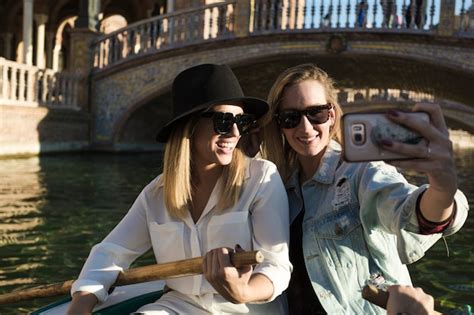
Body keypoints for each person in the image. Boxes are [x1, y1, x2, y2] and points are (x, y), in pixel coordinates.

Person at [66, 64, 292, 314]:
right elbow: (111, 253)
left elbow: (275, 265)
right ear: (190, 126)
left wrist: (242, 292)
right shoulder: (156, 193)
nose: (236, 133)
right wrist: (80, 304)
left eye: (242, 121)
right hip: (179, 306)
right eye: (224, 122)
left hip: (247, 309)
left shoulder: (261, 177)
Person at [256, 63, 468, 314]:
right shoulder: (277, 188)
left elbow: (407, 212)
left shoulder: (360, 172)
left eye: (317, 114)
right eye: (291, 118)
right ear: (279, 124)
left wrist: (442, 189)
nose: (305, 128)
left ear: (332, 115)